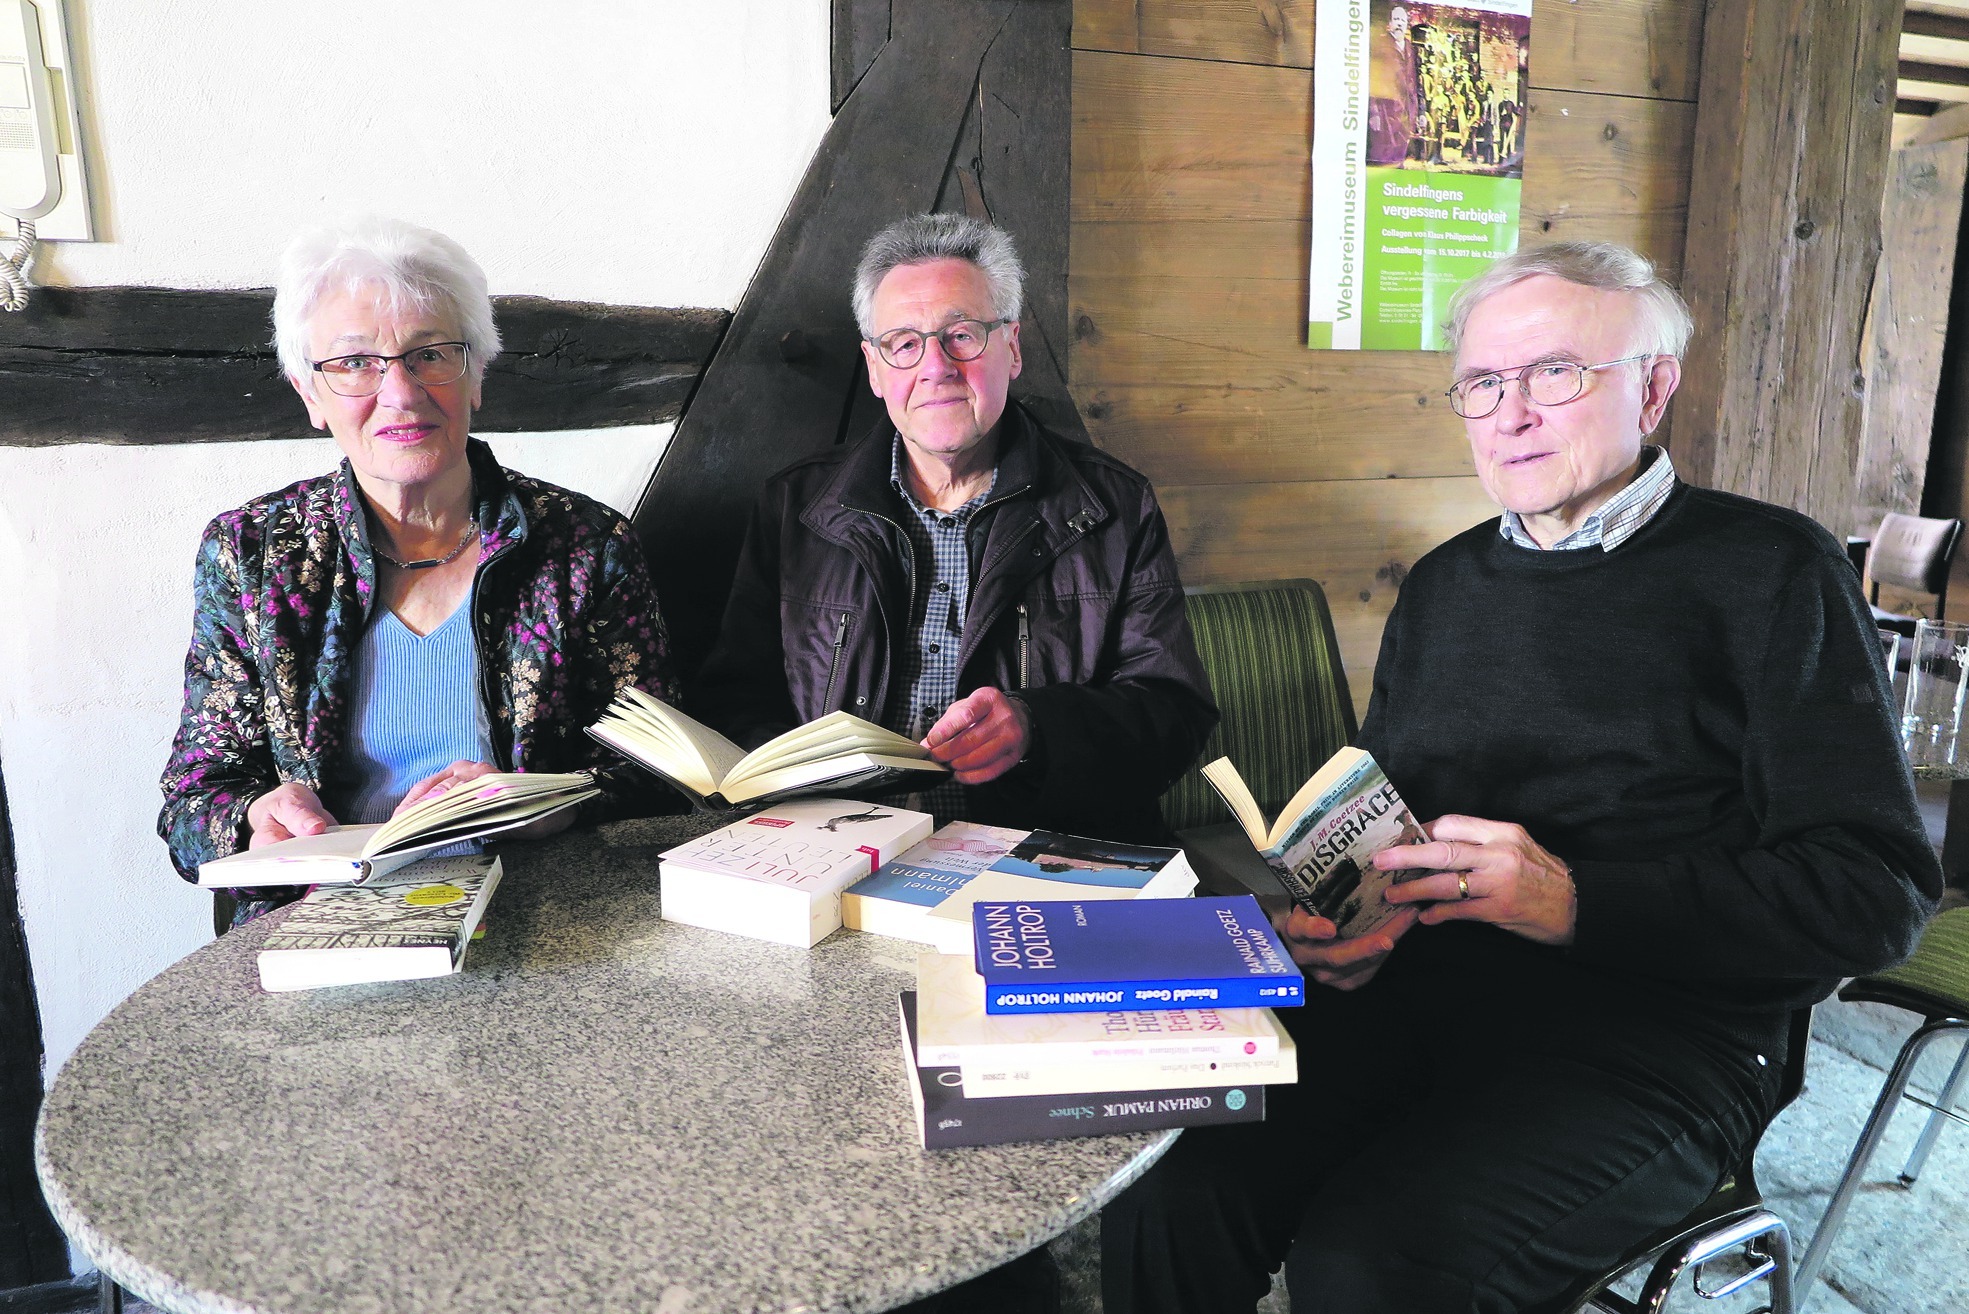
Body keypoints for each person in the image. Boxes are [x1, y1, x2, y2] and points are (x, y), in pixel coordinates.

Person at [1101, 240, 1942, 1313]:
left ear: (1653, 388)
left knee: (1373, 1265)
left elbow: (1876, 893)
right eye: (1483, 383)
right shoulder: (1444, 584)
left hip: (1663, 1038)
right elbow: (1392, 828)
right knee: (1161, 1183)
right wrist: (1344, 919)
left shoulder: (1773, 572)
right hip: (1417, 993)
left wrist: (1574, 900)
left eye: (1554, 373)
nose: (1510, 414)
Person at [159, 217, 680, 925]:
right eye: (355, 363)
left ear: (476, 376)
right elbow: (193, 802)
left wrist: (547, 805)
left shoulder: (586, 547)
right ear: (309, 394)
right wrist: (254, 817)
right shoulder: (252, 553)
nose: (400, 393)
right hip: (325, 924)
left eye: (430, 355)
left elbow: (661, 779)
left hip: (543, 918)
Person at [694, 212, 1216, 843]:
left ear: (1012, 348)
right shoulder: (794, 507)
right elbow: (735, 702)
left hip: (1040, 857)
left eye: (961, 335)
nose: (935, 366)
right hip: (843, 853)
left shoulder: (1113, 505)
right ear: (874, 368)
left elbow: (1173, 714)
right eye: (903, 344)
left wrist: (1037, 729)